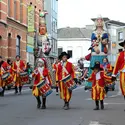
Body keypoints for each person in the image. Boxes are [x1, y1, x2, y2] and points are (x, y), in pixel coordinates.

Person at [112, 40, 125, 111]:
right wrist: (113, 75)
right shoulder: (120, 54)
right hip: (123, 73)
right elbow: (117, 65)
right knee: (124, 88)